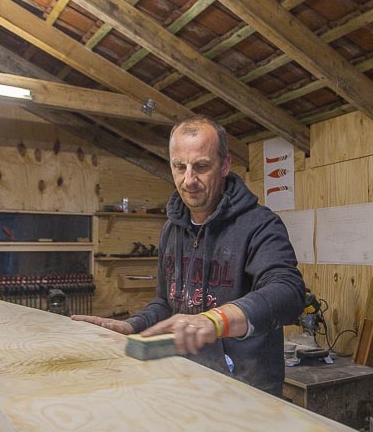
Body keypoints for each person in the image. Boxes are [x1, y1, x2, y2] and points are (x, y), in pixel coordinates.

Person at [74, 116, 305, 396]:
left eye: (202, 167)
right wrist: (131, 325)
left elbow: (288, 292)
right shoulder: (172, 228)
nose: (189, 180)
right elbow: (166, 302)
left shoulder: (259, 224)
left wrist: (215, 320)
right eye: (179, 166)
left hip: (247, 390)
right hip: (189, 383)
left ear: (225, 166)